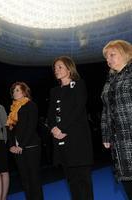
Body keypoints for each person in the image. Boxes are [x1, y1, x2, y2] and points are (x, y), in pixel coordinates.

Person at [47, 56, 93, 200]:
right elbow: (50, 114)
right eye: (55, 68)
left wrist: (62, 128)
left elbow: (78, 110)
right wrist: (53, 129)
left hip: (77, 140)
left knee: (83, 181)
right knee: (71, 181)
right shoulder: (54, 91)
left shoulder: (78, 85)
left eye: (60, 67)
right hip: (62, 142)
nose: (56, 70)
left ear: (69, 68)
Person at [101, 39, 132, 199]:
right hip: (119, 141)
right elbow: (106, 110)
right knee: (127, 180)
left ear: (126, 53)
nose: (108, 59)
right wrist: (106, 134)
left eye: (112, 54)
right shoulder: (109, 81)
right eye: (106, 57)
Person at [6, 82, 43, 200]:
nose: (14, 92)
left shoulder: (31, 105)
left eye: (17, 90)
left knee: (34, 179)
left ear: (24, 91)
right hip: (17, 148)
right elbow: (10, 128)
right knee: (24, 180)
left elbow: (31, 127)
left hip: (31, 146)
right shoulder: (13, 108)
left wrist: (21, 145)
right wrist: (12, 145)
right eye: (13, 90)